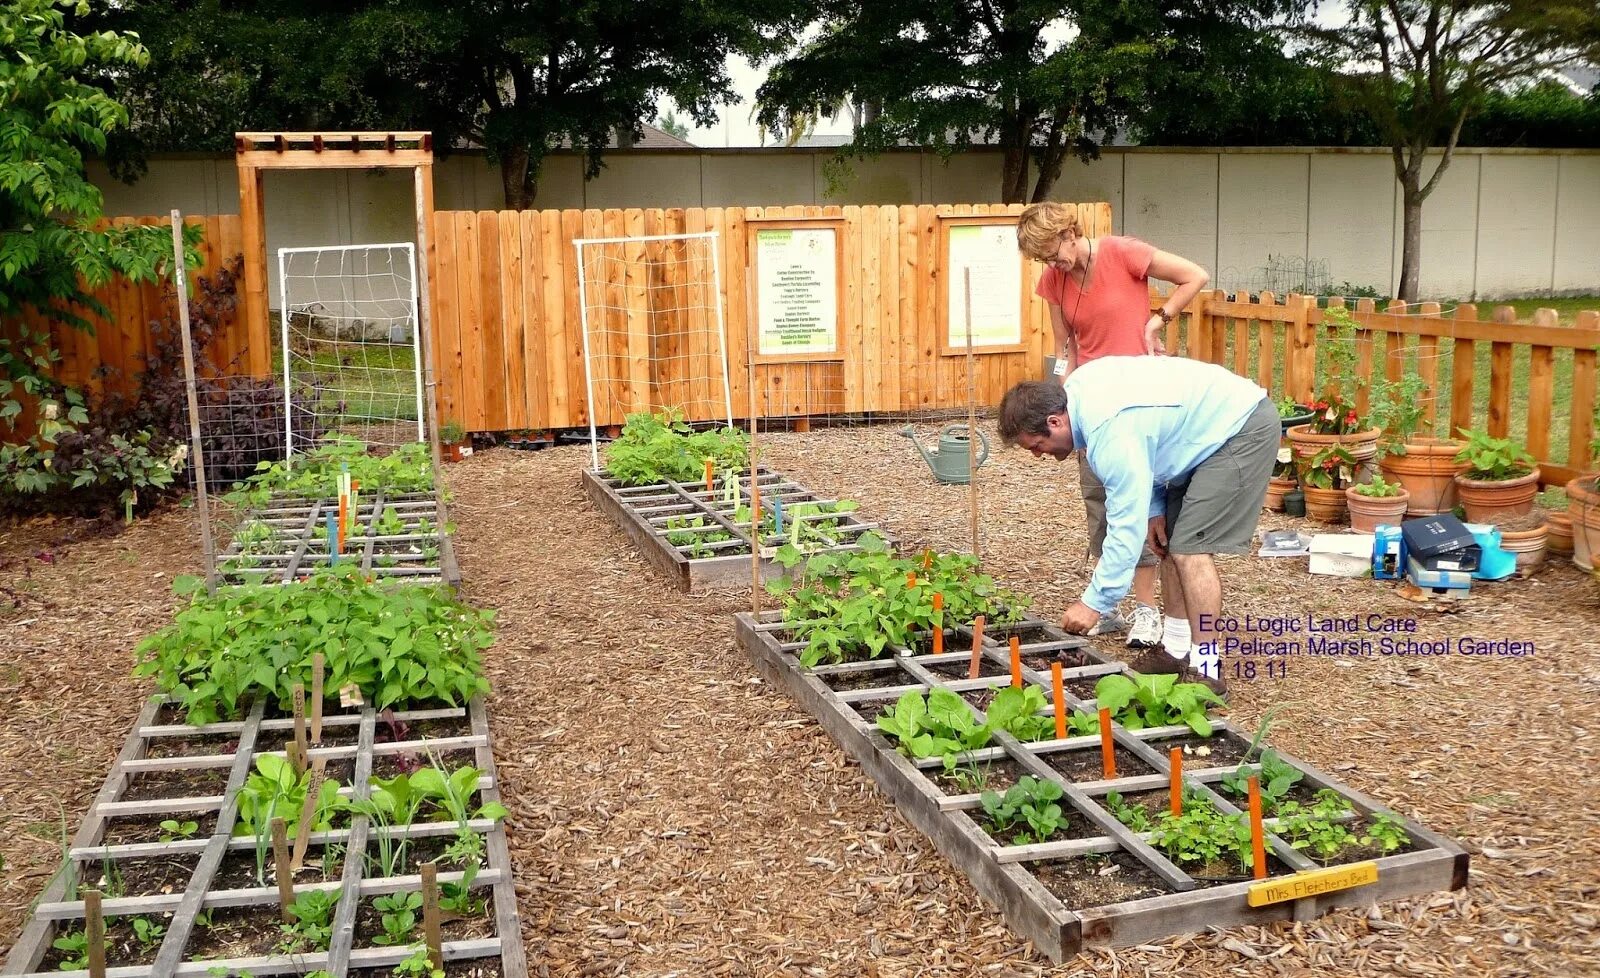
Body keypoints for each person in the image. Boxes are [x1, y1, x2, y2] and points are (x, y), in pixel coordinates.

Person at [996, 358, 1280, 693]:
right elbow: (1150, 436)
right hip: (1199, 431)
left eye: (1036, 446)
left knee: (1190, 550)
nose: (1037, 455)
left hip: (1239, 427)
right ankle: (1174, 652)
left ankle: (1208, 669)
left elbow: (1124, 530)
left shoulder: (1108, 432)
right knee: (1170, 542)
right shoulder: (1079, 395)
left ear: (1055, 421)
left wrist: (1094, 603)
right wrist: (1155, 508)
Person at [1016, 202, 1210, 648]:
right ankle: (1109, 604)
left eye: (1054, 252)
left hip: (1140, 403)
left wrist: (1159, 321)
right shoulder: (1055, 281)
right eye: (1044, 259)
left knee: (1143, 507)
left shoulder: (1124, 253)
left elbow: (1194, 275)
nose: (1054, 264)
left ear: (1069, 232)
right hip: (1090, 408)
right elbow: (1065, 348)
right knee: (1100, 504)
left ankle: (1148, 613)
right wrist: (1066, 409)